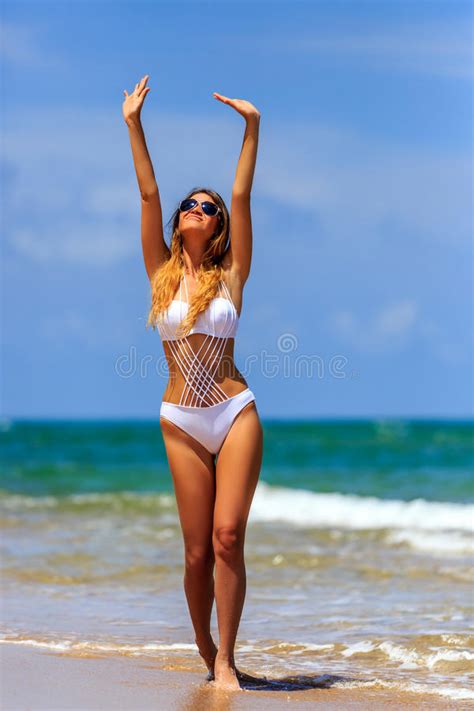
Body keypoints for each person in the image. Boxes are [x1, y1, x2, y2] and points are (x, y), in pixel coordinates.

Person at [123, 75, 263, 691]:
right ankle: (205, 644)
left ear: (219, 225)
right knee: (196, 554)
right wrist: (135, 124)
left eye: (209, 208)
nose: (199, 210)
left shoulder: (233, 273)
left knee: (228, 537)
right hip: (180, 420)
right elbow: (149, 193)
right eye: (192, 205)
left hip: (234, 412)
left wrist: (251, 128)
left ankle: (226, 659)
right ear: (180, 223)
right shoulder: (159, 272)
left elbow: (242, 190)